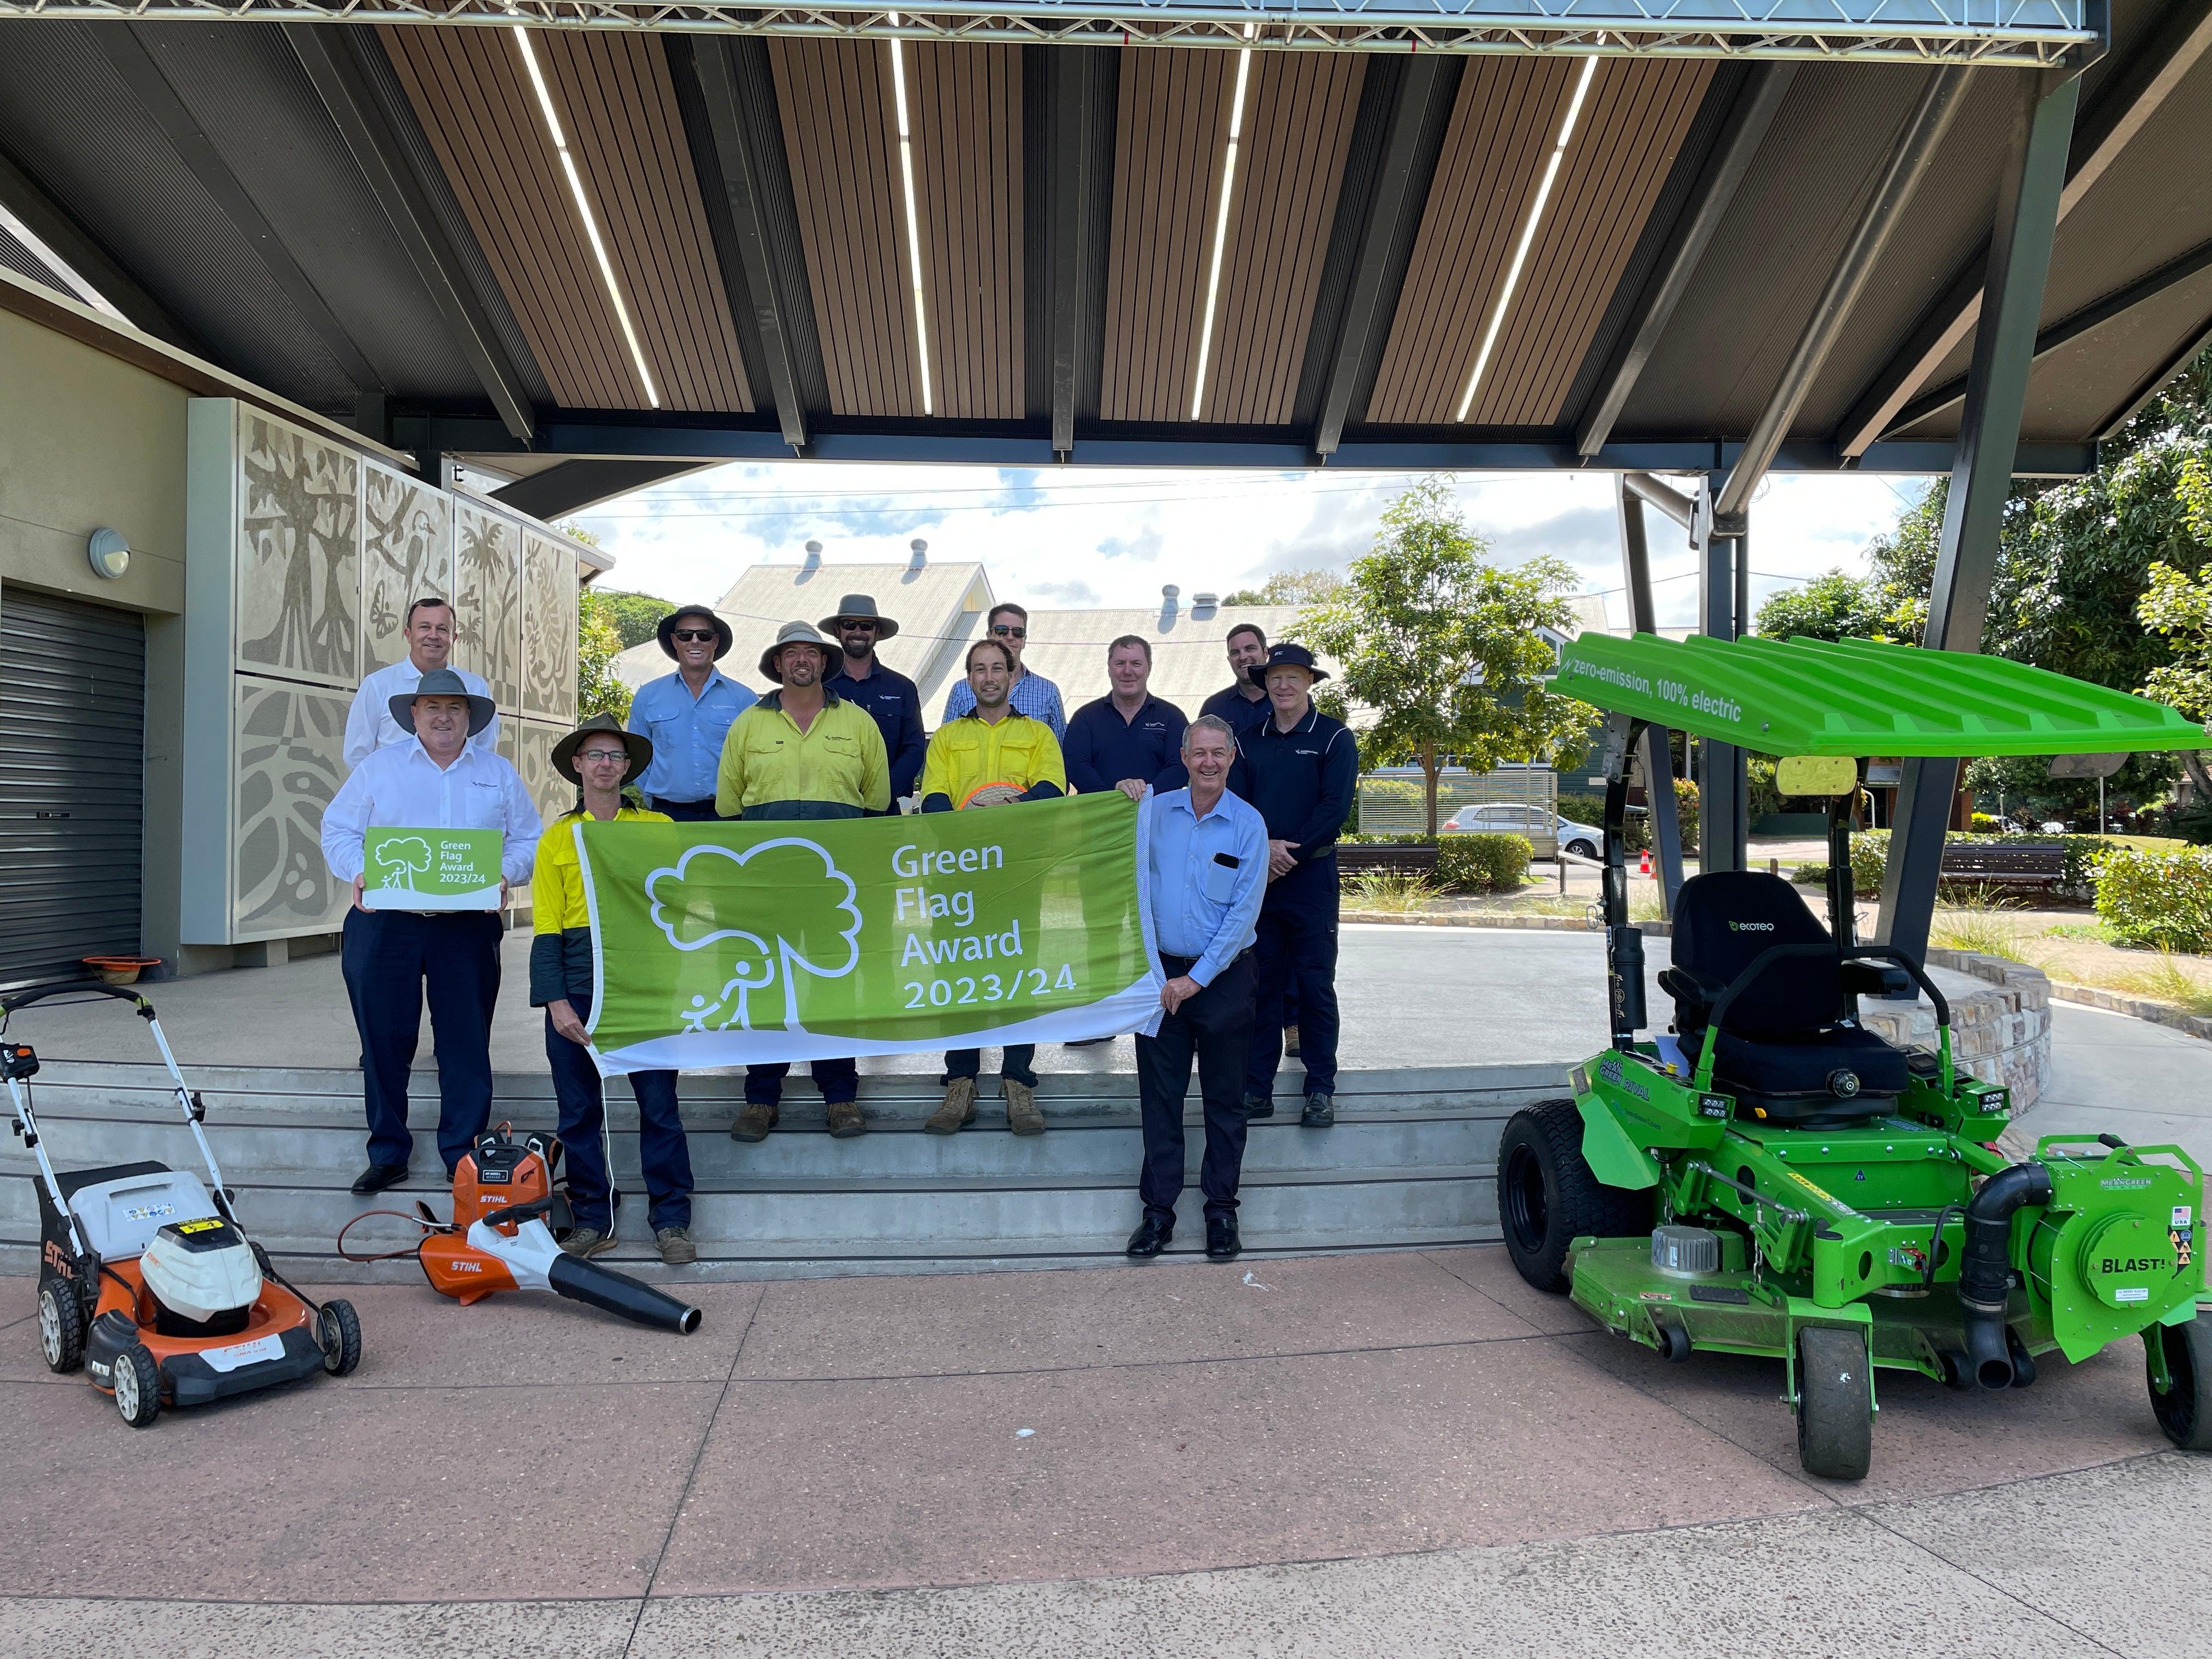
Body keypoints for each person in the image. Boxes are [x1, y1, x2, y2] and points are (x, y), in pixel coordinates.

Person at [321, 668, 541, 1195]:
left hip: (465, 929)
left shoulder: (498, 773)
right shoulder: (379, 768)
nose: (444, 717)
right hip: (385, 925)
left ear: (471, 718)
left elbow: (528, 838)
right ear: (414, 715)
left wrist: (505, 873)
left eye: (456, 709)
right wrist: (359, 870)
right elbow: (338, 829)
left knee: (465, 1042)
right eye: (433, 707)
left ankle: (461, 1152)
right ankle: (388, 1151)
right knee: (384, 1041)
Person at [531, 715, 696, 1264]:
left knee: (659, 1106)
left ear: (628, 769)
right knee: (578, 1113)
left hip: (643, 980)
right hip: (575, 979)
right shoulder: (556, 837)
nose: (606, 764)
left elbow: (679, 901)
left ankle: (671, 1221)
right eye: (595, 755)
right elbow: (547, 925)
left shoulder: (657, 827)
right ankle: (592, 1221)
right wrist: (556, 1002)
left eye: (616, 756)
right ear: (577, 765)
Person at [717, 621, 890, 1142]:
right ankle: (760, 1098)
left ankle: (840, 1097)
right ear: (777, 663)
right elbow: (728, 805)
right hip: (764, 880)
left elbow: (877, 801)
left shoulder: (859, 724)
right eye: (791, 653)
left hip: (834, 884)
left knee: (831, 984)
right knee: (763, 983)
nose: (801, 661)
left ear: (823, 662)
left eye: (810, 653)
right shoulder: (747, 725)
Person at [1125, 715, 1268, 1264]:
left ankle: (1221, 1213)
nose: (1209, 762)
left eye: (1219, 753)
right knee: (1159, 1103)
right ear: (1183, 758)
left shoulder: (1248, 826)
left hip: (1223, 980)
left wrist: (1195, 979)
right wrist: (1124, 796)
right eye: (1199, 752)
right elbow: (1125, 877)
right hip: (1160, 977)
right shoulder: (1153, 813)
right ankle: (1157, 1215)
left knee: (1225, 1103)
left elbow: (1242, 915)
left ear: (1232, 758)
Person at [918, 638, 1067, 1136]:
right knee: (959, 971)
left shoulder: (1039, 733)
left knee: (1018, 971)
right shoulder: (945, 736)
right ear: (968, 679)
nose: (988, 677)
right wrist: (968, 822)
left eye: (997, 669)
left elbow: (1051, 790)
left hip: (1019, 871)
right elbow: (933, 796)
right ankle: (960, 1081)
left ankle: (1018, 1082)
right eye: (979, 669)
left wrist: (1008, 806)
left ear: (1012, 676)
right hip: (959, 871)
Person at [1234, 644, 1357, 1128]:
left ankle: (1320, 1088)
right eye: (1275, 678)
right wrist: (1264, 851)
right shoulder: (1248, 740)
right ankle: (1257, 1089)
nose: (1283, 686)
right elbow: (1238, 806)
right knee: (1260, 988)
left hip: (1312, 881)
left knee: (1315, 987)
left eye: (1293, 677)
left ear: (1309, 681)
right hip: (1262, 882)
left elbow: (1335, 808)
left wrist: (1291, 852)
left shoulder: (1334, 737)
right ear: (1265, 683)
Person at [628, 603, 756, 820]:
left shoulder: (745, 699)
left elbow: (754, 760)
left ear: (715, 641)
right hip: (667, 813)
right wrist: (655, 800)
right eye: (685, 635)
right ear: (675, 641)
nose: (695, 641)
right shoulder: (647, 697)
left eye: (704, 635)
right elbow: (639, 757)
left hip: (728, 816)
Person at [343, 596, 497, 768]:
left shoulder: (477, 688)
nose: (433, 635)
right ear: (408, 635)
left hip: (458, 793)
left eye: (442, 629)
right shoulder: (378, 685)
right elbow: (356, 756)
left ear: (454, 638)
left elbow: (486, 754)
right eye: (425, 627)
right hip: (397, 793)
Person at [821, 593, 926, 812]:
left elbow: (914, 749)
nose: (858, 632)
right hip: (830, 807)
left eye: (867, 626)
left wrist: (882, 793)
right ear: (837, 631)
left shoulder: (902, 688)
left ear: (877, 632)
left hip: (885, 810)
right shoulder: (820, 687)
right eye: (849, 625)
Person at [1064, 635, 1188, 801]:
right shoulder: (1085, 718)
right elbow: (1076, 766)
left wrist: (1145, 795)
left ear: (1149, 668)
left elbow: (1180, 767)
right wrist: (1113, 797)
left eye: (1136, 664)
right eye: (1120, 663)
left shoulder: (1173, 718)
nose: (1128, 671)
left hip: (1158, 817)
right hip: (1099, 817)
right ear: (1109, 668)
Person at [941, 601, 1065, 737]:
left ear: (1024, 640)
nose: (1010, 637)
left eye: (1018, 632)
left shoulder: (1048, 692)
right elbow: (947, 741)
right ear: (989, 636)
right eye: (1002, 630)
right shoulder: (960, 691)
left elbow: (1060, 751)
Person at [1199, 620, 1273, 738]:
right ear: (1229, 660)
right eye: (1235, 653)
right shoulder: (1214, 707)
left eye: (1250, 649)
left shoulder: (1289, 700)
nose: (1243, 657)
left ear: (1266, 653)